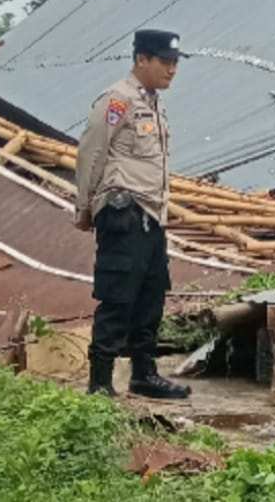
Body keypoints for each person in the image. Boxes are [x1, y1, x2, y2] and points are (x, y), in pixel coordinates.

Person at [75, 29, 191, 399]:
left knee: (151, 295)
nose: (172, 70)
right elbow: (91, 155)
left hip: (152, 214)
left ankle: (144, 374)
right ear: (141, 59)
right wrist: (85, 206)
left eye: (175, 63)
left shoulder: (154, 103)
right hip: (124, 212)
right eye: (165, 62)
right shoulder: (116, 101)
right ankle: (100, 383)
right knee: (118, 295)